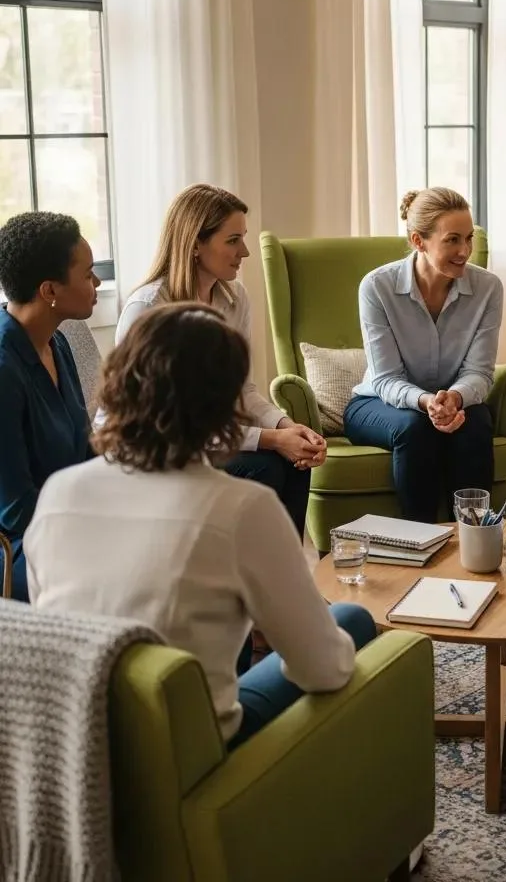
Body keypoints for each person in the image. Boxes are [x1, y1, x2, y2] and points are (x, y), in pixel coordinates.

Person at [26, 304, 374, 745]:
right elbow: (325, 670)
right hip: (191, 749)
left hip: (78, 738)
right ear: (223, 409)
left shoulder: (58, 493)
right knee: (352, 621)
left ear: (120, 382)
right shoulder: (242, 509)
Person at [114, 184, 325, 539]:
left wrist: (288, 426)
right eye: (232, 240)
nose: (244, 251)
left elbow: (242, 390)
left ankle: (278, 584)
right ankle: (246, 583)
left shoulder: (234, 297)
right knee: (264, 467)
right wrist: (271, 439)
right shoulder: (148, 310)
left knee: (295, 462)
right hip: (156, 450)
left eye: (243, 238)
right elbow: (168, 424)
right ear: (195, 243)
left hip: (207, 441)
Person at [344, 187, 502, 522]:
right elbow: (386, 379)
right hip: (379, 404)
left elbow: (480, 371)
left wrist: (455, 399)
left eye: (469, 238)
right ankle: (420, 542)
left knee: (475, 426)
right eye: (453, 240)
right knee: (415, 429)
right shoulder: (377, 287)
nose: (465, 251)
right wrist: (427, 402)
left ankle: (476, 539)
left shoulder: (488, 288)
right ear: (419, 241)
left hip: (452, 402)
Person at [0, 212, 97, 602]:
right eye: (88, 274)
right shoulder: (4, 369)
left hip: (69, 520)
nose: (97, 283)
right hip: (22, 545)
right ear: (49, 290)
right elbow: (15, 510)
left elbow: (85, 449)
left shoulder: (57, 343)